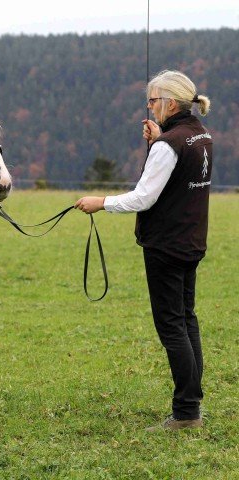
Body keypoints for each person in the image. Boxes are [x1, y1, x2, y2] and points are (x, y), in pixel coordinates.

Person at [75, 70, 212, 431]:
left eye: (152, 100)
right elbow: (178, 174)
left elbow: (144, 196)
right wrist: (160, 140)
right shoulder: (201, 134)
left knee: (171, 326)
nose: (149, 107)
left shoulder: (170, 144)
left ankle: (185, 413)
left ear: (169, 101)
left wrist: (100, 202)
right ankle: (192, 403)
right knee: (187, 319)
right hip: (192, 241)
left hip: (166, 245)